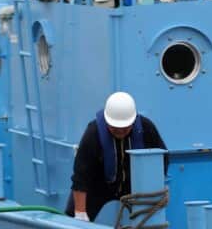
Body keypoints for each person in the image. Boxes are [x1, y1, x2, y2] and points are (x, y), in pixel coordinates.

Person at [67, 91, 168, 222]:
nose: (120, 131)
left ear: (132, 121)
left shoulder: (146, 128)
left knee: (150, 220)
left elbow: (163, 160)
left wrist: (157, 186)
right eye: (115, 128)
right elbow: (81, 175)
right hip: (99, 184)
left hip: (135, 188)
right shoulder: (93, 132)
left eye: (125, 128)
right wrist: (80, 213)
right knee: (73, 217)